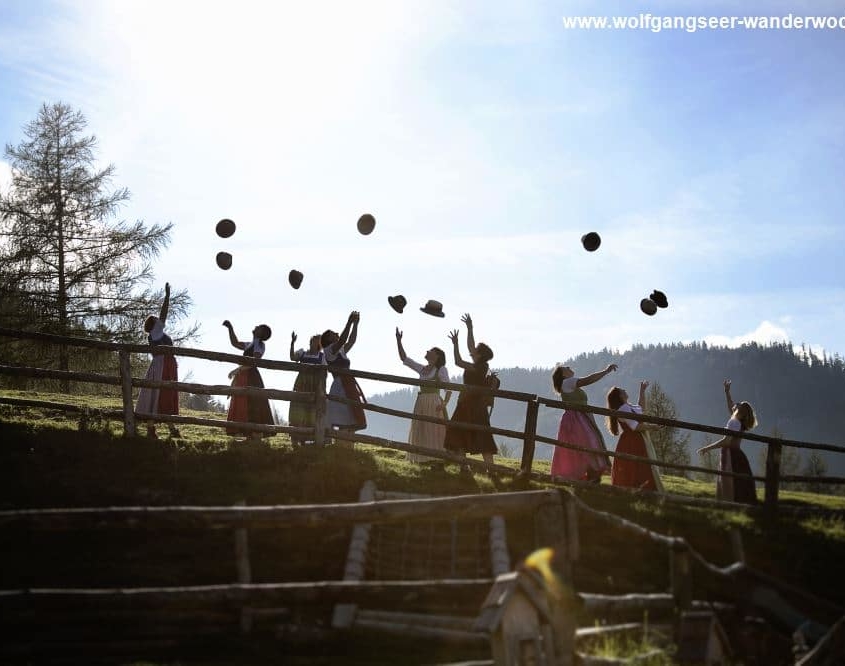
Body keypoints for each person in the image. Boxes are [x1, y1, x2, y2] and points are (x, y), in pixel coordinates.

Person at [443, 314, 498, 475]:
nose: (472, 350)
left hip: (473, 405)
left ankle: (491, 470)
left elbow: (458, 362)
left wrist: (455, 344)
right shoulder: (479, 364)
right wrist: (469, 328)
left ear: (480, 354)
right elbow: (471, 345)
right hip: (468, 404)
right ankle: (465, 467)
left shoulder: (482, 366)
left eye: (475, 351)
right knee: (459, 433)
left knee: (481, 437)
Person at [550, 363, 617, 483]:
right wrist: (606, 371)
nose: (570, 368)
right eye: (566, 368)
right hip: (578, 419)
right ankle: (592, 477)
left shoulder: (567, 384)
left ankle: (590, 477)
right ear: (563, 374)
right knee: (589, 444)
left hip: (578, 418)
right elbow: (588, 379)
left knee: (586, 446)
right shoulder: (568, 382)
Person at [395, 327, 452, 463]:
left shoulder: (441, 370)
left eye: (431, 351)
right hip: (422, 402)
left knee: (435, 430)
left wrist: (444, 403)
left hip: (434, 402)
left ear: (437, 356)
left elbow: (449, 389)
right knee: (422, 428)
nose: (428, 351)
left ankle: (438, 460)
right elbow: (405, 358)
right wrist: (398, 341)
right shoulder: (422, 369)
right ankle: (425, 458)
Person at [697, 380, 758, 504]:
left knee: (728, 482)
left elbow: (726, 441)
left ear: (740, 411)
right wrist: (727, 392)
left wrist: (707, 448)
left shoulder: (734, 422)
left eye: (739, 404)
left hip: (730, 456)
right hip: (736, 455)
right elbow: (731, 406)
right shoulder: (738, 421)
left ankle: (728, 504)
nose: (736, 403)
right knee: (737, 483)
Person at [135, 282, 180, 439]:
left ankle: (164, 428)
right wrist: (167, 297)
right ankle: (161, 429)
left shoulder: (154, 334)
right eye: (156, 319)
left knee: (161, 394)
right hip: (162, 365)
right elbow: (164, 313)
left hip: (163, 364)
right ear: (154, 323)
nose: (158, 319)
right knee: (162, 394)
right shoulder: (156, 331)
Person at [606, 382, 664, 491]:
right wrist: (653, 427)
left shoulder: (627, 406)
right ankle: (642, 489)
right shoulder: (623, 408)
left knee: (638, 465)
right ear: (619, 395)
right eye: (621, 390)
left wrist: (642, 390)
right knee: (638, 465)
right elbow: (635, 427)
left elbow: (641, 408)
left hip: (637, 438)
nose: (624, 390)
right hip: (632, 441)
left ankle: (641, 489)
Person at [223, 320, 274, 441]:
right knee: (242, 401)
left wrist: (237, 370)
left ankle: (254, 433)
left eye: (259, 327)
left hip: (250, 376)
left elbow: (254, 362)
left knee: (252, 402)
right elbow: (235, 343)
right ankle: (246, 432)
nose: (256, 326)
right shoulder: (251, 344)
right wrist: (230, 328)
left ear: (261, 333)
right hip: (244, 374)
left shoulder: (259, 345)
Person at [322, 311, 367, 445]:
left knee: (351, 414)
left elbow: (351, 341)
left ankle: (348, 446)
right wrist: (348, 322)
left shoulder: (340, 350)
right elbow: (343, 340)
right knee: (343, 414)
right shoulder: (329, 350)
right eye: (333, 334)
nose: (336, 334)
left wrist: (355, 325)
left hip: (348, 383)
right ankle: (341, 445)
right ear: (328, 339)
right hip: (340, 384)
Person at [288, 331, 326, 446]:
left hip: (314, 385)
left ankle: (306, 439)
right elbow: (292, 357)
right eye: (314, 339)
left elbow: (324, 372)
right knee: (298, 410)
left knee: (311, 411)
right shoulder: (302, 353)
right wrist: (292, 343)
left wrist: (321, 387)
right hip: (301, 383)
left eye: (318, 340)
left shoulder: (321, 356)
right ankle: (295, 438)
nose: (315, 342)